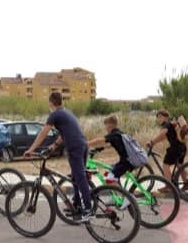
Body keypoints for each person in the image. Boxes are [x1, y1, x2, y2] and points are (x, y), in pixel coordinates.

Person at [24, 92, 93, 222]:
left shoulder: (54, 114)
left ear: (51, 102)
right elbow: (63, 134)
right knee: (75, 176)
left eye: (48, 102)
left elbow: (43, 133)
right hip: (83, 145)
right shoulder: (67, 112)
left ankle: (88, 209)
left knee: (80, 176)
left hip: (74, 148)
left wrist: (31, 149)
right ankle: (77, 204)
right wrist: (53, 147)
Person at [145, 109, 188, 193]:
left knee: (166, 165)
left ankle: (168, 186)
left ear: (166, 117)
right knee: (179, 165)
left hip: (175, 149)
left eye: (160, 117)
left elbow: (163, 133)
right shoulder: (171, 125)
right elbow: (164, 137)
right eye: (157, 117)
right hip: (182, 147)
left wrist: (152, 142)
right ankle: (186, 183)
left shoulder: (166, 124)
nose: (158, 119)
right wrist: (154, 142)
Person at [87, 115, 135, 184]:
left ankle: (120, 193)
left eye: (106, 125)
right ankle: (118, 189)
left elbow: (99, 140)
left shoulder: (114, 135)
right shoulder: (119, 133)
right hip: (128, 160)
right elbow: (110, 145)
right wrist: (99, 149)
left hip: (126, 162)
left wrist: (86, 143)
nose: (105, 128)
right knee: (108, 171)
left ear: (110, 125)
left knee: (109, 180)